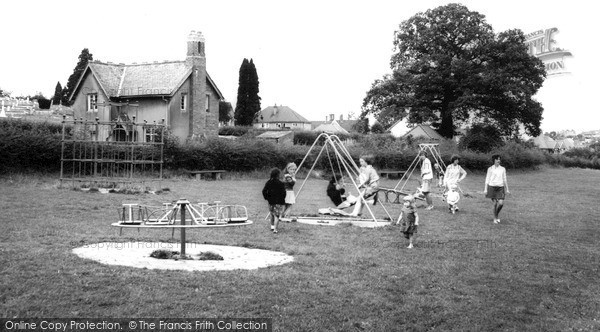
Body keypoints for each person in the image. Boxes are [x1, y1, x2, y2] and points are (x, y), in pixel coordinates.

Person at [484, 154, 510, 224]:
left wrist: (507, 189)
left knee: (501, 203)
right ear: (494, 160)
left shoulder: (503, 169)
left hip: (500, 187)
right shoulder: (490, 169)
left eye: (499, 159)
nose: (499, 160)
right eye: (497, 159)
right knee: (495, 203)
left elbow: (505, 179)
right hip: (491, 187)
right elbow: (487, 179)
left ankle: (496, 215)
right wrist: (485, 189)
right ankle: (495, 218)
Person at [262, 168, 286, 233]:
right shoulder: (281, 183)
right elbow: (284, 193)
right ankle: (275, 229)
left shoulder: (268, 182)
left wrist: (266, 198)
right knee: (277, 215)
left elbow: (264, 191)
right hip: (278, 201)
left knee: (272, 213)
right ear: (278, 175)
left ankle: (272, 226)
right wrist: (282, 200)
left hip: (270, 201)